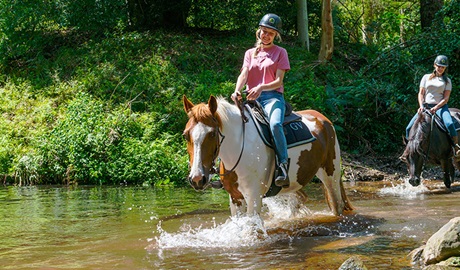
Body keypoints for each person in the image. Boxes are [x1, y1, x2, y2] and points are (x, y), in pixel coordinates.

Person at [231, 13, 291, 187]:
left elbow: (279, 81)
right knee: (230, 125)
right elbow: (244, 74)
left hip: (273, 97)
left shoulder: (281, 52)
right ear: (259, 32)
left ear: (275, 36)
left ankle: (282, 166)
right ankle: (225, 170)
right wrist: (237, 90)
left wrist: (261, 87)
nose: (266, 35)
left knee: (275, 125)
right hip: (251, 99)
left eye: (270, 33)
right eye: (264, 31)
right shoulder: (250, 53)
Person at [404, 54, 460, 158]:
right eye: (439, 66)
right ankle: (408, 151)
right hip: (425, 107)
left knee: (449, 124)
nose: (440, 69)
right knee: (409, 128)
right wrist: (421, 106)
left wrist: (436, 107)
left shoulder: (447, 81)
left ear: (445, 68)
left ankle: (456, 149)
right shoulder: (425, 77)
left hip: (440, 107)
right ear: (434, 65)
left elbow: (446, 98)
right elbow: (421, 93)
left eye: (443, 67)